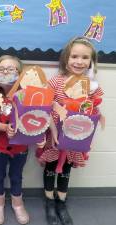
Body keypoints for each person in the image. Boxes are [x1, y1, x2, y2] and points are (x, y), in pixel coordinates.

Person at [36, 37, 104, 225]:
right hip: (54, 134)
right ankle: (49, 202)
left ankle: (61, 202)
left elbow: (94, 109)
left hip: (76, 136)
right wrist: (55, 134)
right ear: (66, 58)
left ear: (91, 61)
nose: (79, 61)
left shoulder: (91, 85)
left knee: (66, 168)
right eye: (74, 56)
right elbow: (46, 107)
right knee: (51, 167)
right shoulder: (56, 81)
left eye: (85, 57)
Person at [0, 55, 30, 225]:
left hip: (20, 147)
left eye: (11, 69)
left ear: (20, 73)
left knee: (16, 175)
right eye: (2, 69)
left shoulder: (28, 95)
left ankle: (17, 203)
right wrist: (3, 127)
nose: (5, 72)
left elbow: (36, 119)